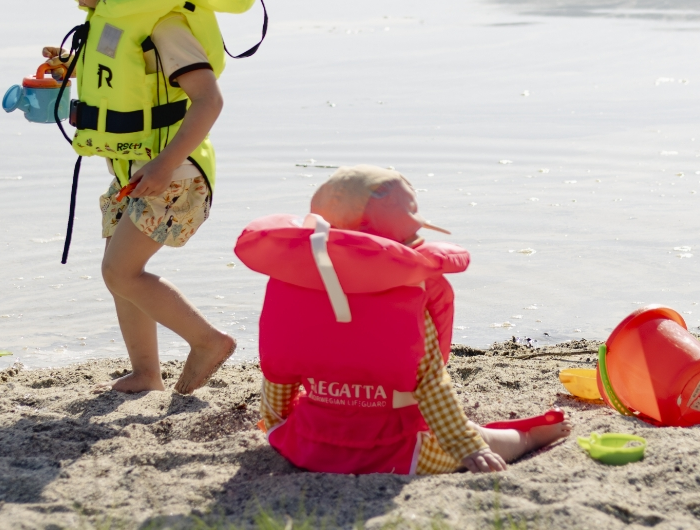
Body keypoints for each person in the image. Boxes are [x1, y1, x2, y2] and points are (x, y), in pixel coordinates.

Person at [27, 0, 259, 395]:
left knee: (121, 271)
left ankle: (208, 341)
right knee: (118, 270)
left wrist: (162, 165)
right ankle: (146, 372)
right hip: (133, 169)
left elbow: (208, 100)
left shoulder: (163, 23)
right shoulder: (115, 15)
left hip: (173, 171)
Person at [236, 165, 570, 474]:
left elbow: (278, 376)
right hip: (398, 451)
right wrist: (466, 446)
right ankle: (529, 438)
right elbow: (431, 386)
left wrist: (275, 424)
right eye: (410, 213)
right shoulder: (403, 298)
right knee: (486, 440)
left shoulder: (295, 287)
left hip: (308, 446)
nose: (417, 222)